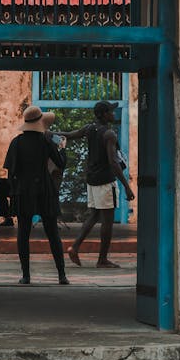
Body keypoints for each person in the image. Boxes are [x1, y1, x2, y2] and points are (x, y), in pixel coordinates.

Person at [63, 100, 135, 269]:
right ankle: (102, 259)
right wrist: (126, 185)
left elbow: (70, 134)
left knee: (94, 215)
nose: (113, 113)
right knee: (107, 222)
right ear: (103, 114)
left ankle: (74, 247)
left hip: (92, 179)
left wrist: (50, 133)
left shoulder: (89, 129)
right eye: (110, 111)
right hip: (105, 181)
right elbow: (113, 163)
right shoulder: (109, 134)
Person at [3, 105, 69, 285]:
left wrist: (14, 191)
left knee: (23, 234)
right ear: (40, 122)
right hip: (44, 190)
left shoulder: (16, 142)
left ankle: (26, 276)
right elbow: (60, 163)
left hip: (24, 191)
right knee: (52, 233)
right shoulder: (46, 141)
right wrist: (62, 148)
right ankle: (62, 275)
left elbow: (11, 172)